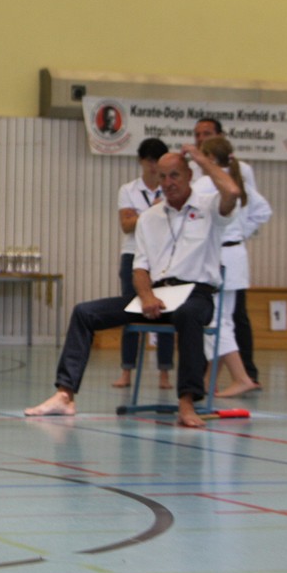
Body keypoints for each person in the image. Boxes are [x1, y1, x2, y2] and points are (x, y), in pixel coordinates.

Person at [25, 146, 239, 428]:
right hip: (156, 295)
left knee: (188, 316)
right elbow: (140, 268)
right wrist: (147, 296)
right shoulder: (149, 217)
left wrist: (201, 159)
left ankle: (187, 403)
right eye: (162, 177)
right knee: (85, 313)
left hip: (194, 295)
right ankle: (65, 395)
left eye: (175, 175)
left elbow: (232, 191)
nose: (168, 182)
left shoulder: (209, 208)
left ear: (189, 175)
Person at [195, 135, 272, 397]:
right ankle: (208, 379)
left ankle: (241, 377)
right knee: (224, 319)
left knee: (215, 320)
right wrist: (240, 232)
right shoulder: (238, 182)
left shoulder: (207, 183)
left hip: (220, 256)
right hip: (236, 254)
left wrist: (231, 231)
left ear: (209, 158)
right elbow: (263, 211)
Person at [112, 138, 174, 390]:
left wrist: (143, 215)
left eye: (157, 161)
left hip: (163, 257)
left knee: (166, 313)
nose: (153, 166)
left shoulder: (170, 190)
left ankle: (164, 373)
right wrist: (153, 213)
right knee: (131, 311)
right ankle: (126, 370)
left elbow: (174, 222)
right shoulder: (129, 190)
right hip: (132, 254)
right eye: (149, 161)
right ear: (141, 161)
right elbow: (126, 225)